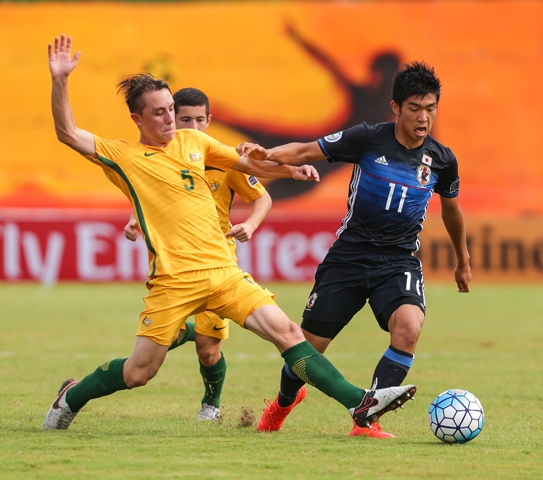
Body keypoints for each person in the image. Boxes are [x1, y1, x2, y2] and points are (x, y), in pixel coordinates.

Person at [43, 34, 417, 431]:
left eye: (172, 109)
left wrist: (289, 169)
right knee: (139, 372)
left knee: (286, 331)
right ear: (137, 119)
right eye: (159, 113)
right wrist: (60, 80)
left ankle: (360, 403)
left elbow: (247, 165)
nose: (170, 119)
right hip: (174, 281)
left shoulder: (194, 141)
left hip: (224, 271)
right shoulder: (124, 156)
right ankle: (73, 395)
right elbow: (68, 133)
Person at [244, 61, 471, 438]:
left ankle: (366, 420)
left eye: (430, 108)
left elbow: (452, 210)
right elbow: (304, 151)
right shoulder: (367, 138)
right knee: (308, 347)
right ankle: (283, 402)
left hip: (398, 260)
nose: (423, 117)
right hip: (349, 256)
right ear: (396, 108)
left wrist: (462, 261)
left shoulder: (442, 160)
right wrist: (266, 155)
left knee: (409, 328)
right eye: (415, 108)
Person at [123, 87, 273, 421]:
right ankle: (187, 334)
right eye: (184, 118)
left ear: (209, 121)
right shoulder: (164, 156)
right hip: (173, 265)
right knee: (150, 358)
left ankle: (211, 404)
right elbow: (150, 199)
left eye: (198, 120)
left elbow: (262, 198)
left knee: (208, 350)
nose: (191, 126)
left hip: (218, 264)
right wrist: (134, 220)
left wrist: (250, 224)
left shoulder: (225, 161)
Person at [209, 24, 401, 200]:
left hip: (312, 167)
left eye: (378, 73)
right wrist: (298, 40)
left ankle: (218, 119)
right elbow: (331, 66)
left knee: (258, 190)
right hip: (311, 156)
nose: (373, 77)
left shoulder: (388, 112)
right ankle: (218, 118)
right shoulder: (373, 102)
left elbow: (332, 67)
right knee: (259, 142)